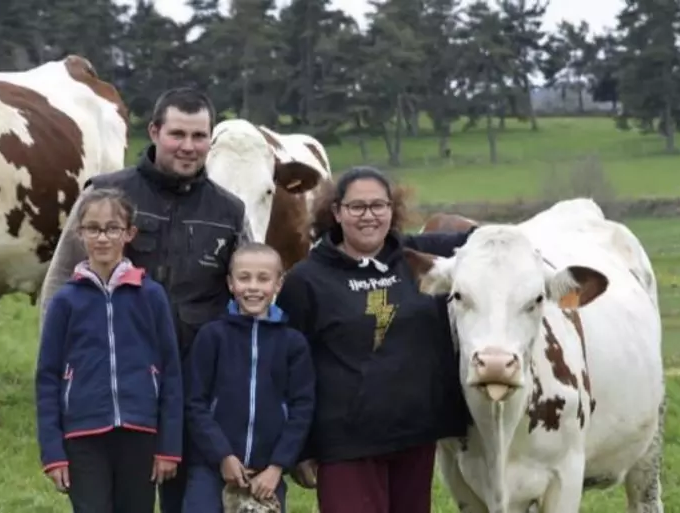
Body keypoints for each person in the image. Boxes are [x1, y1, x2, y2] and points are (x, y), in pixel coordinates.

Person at [38, 87, 253, 513]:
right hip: (118, 382)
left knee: (185, 497)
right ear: (154, 131)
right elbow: (61, 278)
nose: (189, 147)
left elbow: (250, 291)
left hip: (194, 383)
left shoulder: (230, 211)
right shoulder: (105, 195)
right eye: (177, 134)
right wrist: (62, 373)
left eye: (199, 136)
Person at [274, 166, 477, 513]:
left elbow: (484, 242)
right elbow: (287, 367)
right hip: (344, 444)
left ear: (392, 210)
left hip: (414, 438)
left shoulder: (418, 261)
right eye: (357, 207)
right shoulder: (306, 280)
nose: (369, 215)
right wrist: (301, 447)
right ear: (336, 212)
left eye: (378, 206)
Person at [35, 187, 183, 513]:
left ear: (129, 233)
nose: (103, 238)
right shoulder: (65, 301)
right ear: (79, 233)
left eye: (112, 228)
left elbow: (171, 372)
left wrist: (168, 447)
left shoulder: (151, 296)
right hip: (82, 436)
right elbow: (46, 378)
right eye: (93, 228)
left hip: (141, 433)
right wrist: (53, 452)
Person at [182, 243, 315, 512]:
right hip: (212, 469)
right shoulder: (212, 336)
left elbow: (302, 408)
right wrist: (222, 456)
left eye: (263, 279)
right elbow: (195, 402)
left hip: (267, 473)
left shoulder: (293, 343)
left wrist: (278, 466)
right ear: (231, 283)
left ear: (278, 284)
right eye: (244, 278)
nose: (253, 287)